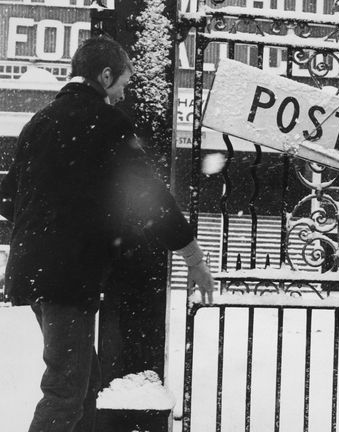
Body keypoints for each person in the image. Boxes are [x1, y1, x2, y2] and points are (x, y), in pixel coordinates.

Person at [0, 36, 215, 432]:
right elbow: (150, 197)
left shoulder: (39, 122)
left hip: (35, 273)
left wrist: (51, 225)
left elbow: (8, 196)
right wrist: (193, 258)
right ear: (105, 75)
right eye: (122, 84)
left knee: (83, 386)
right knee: (65, 392)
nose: (122, 93)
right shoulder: (107, 123)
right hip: (68, 277)